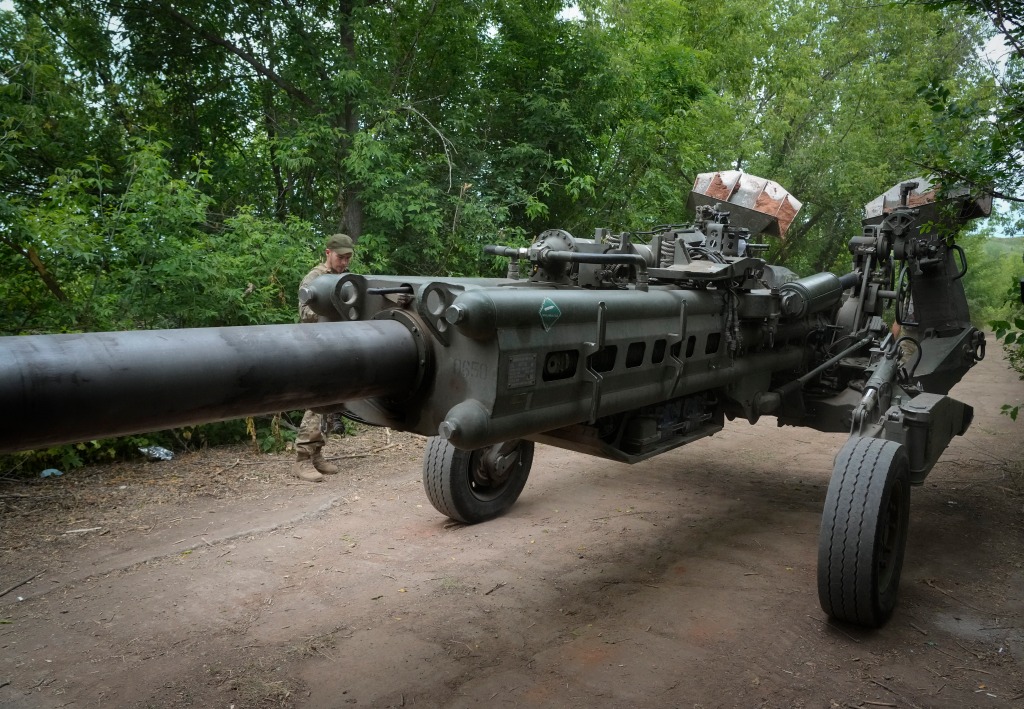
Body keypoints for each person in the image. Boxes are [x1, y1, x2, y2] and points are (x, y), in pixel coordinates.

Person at [293, 233, 355, 482]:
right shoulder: (315, 278)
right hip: (317, 347)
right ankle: (301, 459)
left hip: (336, 345)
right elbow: (304, 311)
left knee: (330, 403)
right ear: (328, 253)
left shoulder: (342, 278)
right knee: (316, 402)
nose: (345, 263)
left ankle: (317, 454)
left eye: (348, 258)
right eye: (341, 258)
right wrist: (332, 313)